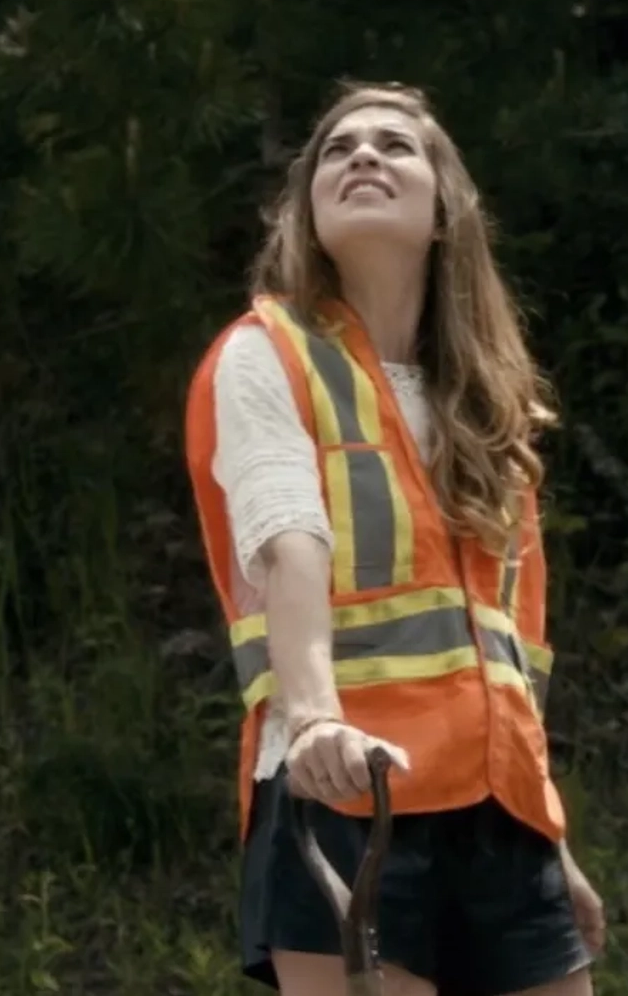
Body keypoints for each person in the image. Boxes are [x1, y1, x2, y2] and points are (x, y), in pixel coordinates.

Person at [182, 81, 604, 996]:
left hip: (501, 813)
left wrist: (551, 835)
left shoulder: (490, 405)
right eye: (336, 150)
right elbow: (287, 540)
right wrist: (314, 716)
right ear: (306, 207)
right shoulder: (268, 352)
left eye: (393, 146)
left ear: (447, 208)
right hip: (348, 795)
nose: (362, 156)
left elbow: (510, 651)